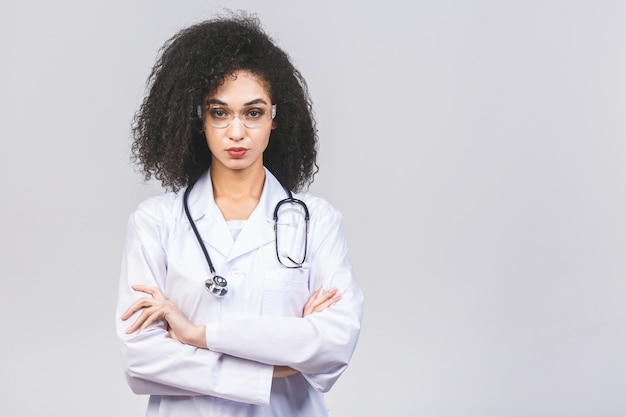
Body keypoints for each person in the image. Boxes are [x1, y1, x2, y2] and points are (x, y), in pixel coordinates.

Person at [115, 12, 364, 417]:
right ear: (197, 118)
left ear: (275, 118)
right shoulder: (156, 223)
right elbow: (140, 361)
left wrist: (197, 336)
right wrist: (283, 362)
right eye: (219, 112)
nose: (236, 132)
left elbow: (334, 344)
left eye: (253, 112)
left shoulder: (316, 221)